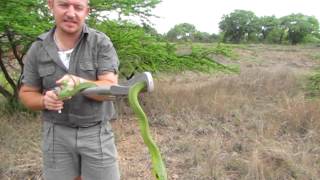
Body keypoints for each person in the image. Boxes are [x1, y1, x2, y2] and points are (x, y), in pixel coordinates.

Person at [18, 0, 120, 179]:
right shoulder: (38, 48)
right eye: (64, 5)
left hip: (96, 132)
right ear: (51, 5)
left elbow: (110, 89)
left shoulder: (100, 42)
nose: (71, 13)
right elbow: (26, 94)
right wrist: (44, 101)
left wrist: (79, 84)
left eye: (78, 7)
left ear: (87, 11)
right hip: (56, 134)